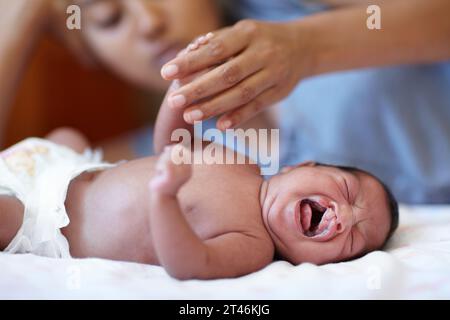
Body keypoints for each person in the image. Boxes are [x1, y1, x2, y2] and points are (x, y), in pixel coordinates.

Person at [0, 80, 399, 280]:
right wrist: (180, 99)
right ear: (300, 166)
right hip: (69, 171)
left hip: (49, 226)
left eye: (353, 241)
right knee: (67, 136)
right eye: (347, 192)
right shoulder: (244, 161)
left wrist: (165, 200)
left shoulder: (254, 245)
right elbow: (173, 147)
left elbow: (189, 262)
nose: (344, 217)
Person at [159, 0, 450, 203]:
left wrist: (306, 46)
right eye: (112, 20)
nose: (148, 24)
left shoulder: (286, 8)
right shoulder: (173, 145)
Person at [0, 0, 224, 157]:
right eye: (109, 17)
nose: (150, 23)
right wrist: (25, 10)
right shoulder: (110, 178)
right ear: (86, 51)